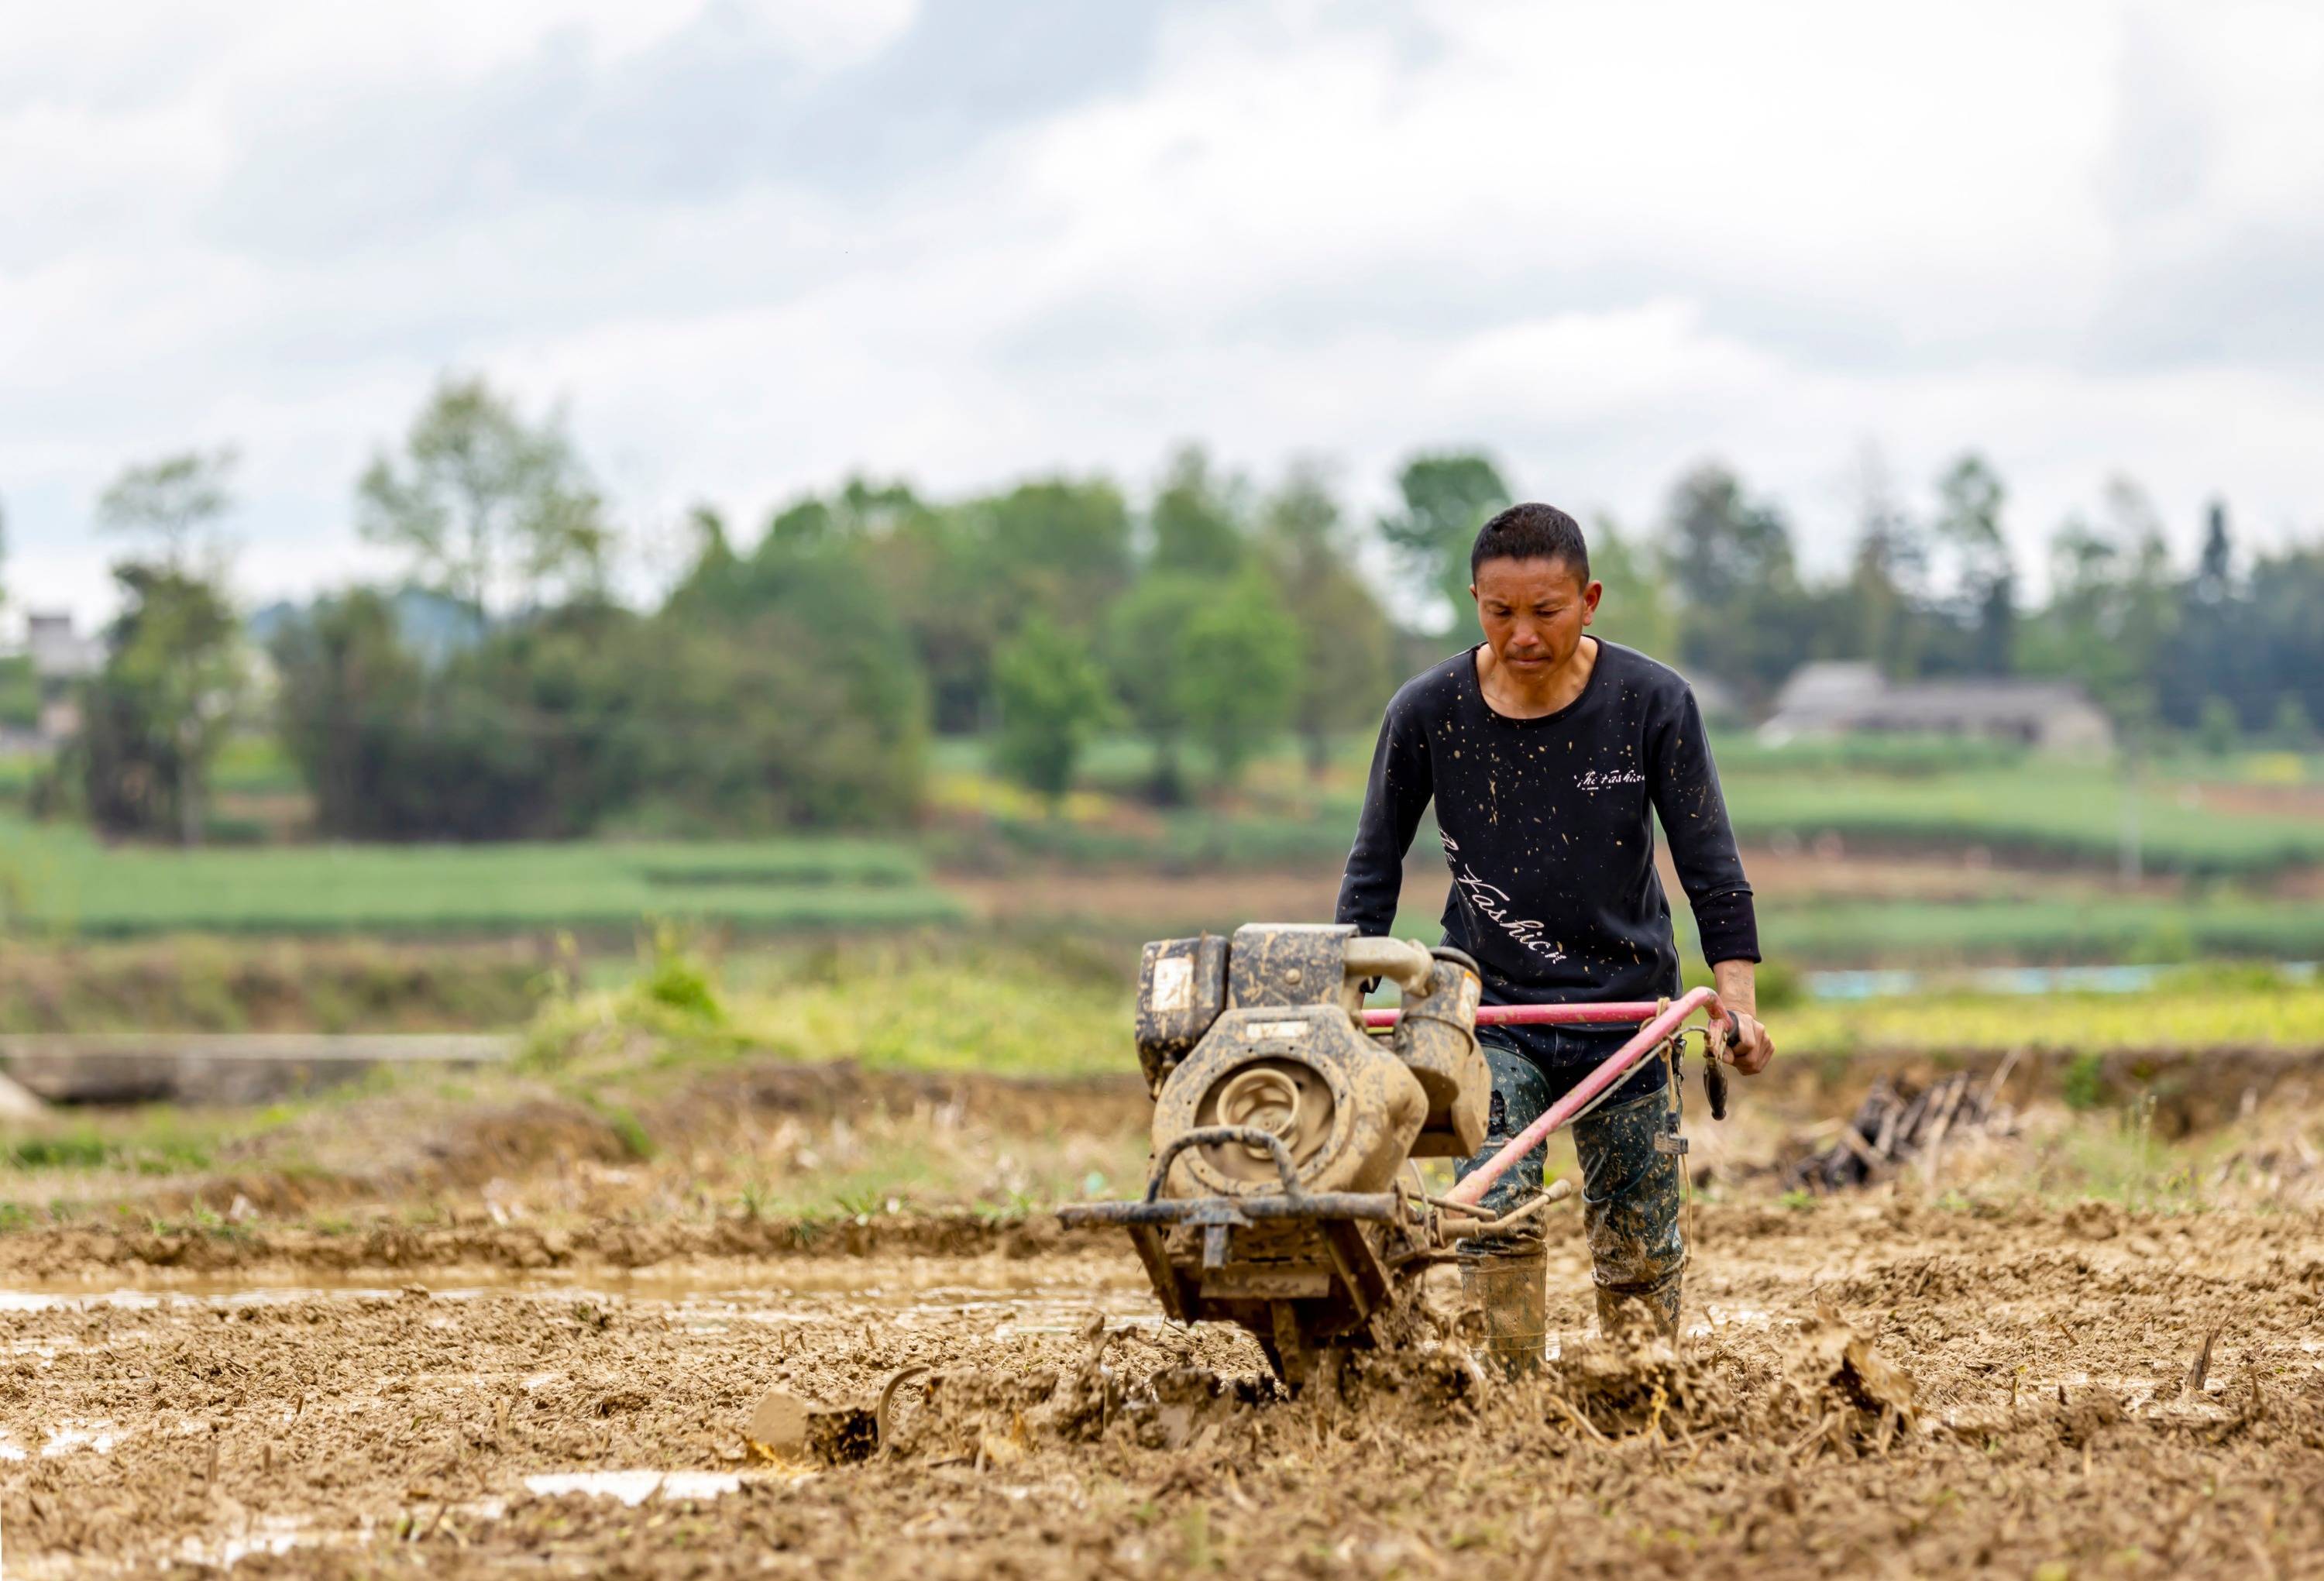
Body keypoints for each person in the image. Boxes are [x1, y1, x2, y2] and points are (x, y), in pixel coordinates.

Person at [1334, 502, 1774, 1366]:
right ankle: (1509, 1408)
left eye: (1547, 610)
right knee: (1491, 1217)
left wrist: (1739, 1004)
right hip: (1491, 1010)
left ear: (1590, 600)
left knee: (1642, 1245)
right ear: (1474, 602)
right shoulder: (1429, 712)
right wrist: (1341, 1002)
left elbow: (1711, 864)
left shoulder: (1651, 703)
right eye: (1500, 613)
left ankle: (1642, 1387)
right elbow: (1373, 865)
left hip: (1629, 1011)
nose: (1524, 633)